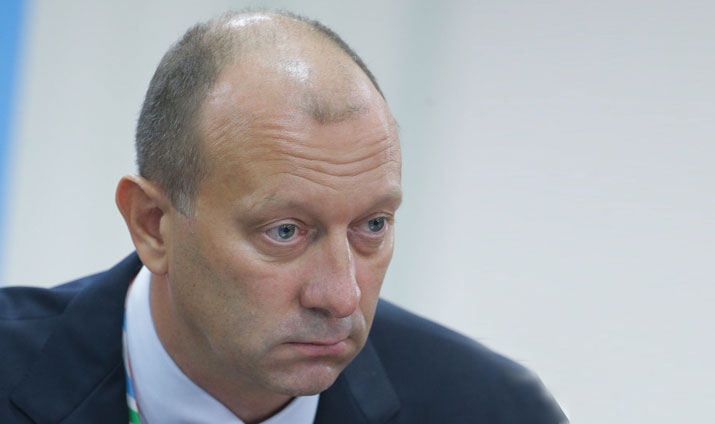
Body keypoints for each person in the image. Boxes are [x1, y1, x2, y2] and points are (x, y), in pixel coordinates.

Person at [0, 10, 567, 424]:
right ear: (153, 224)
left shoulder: (494, 410)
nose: (341, 297)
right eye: (285, 232)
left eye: (372, 225)